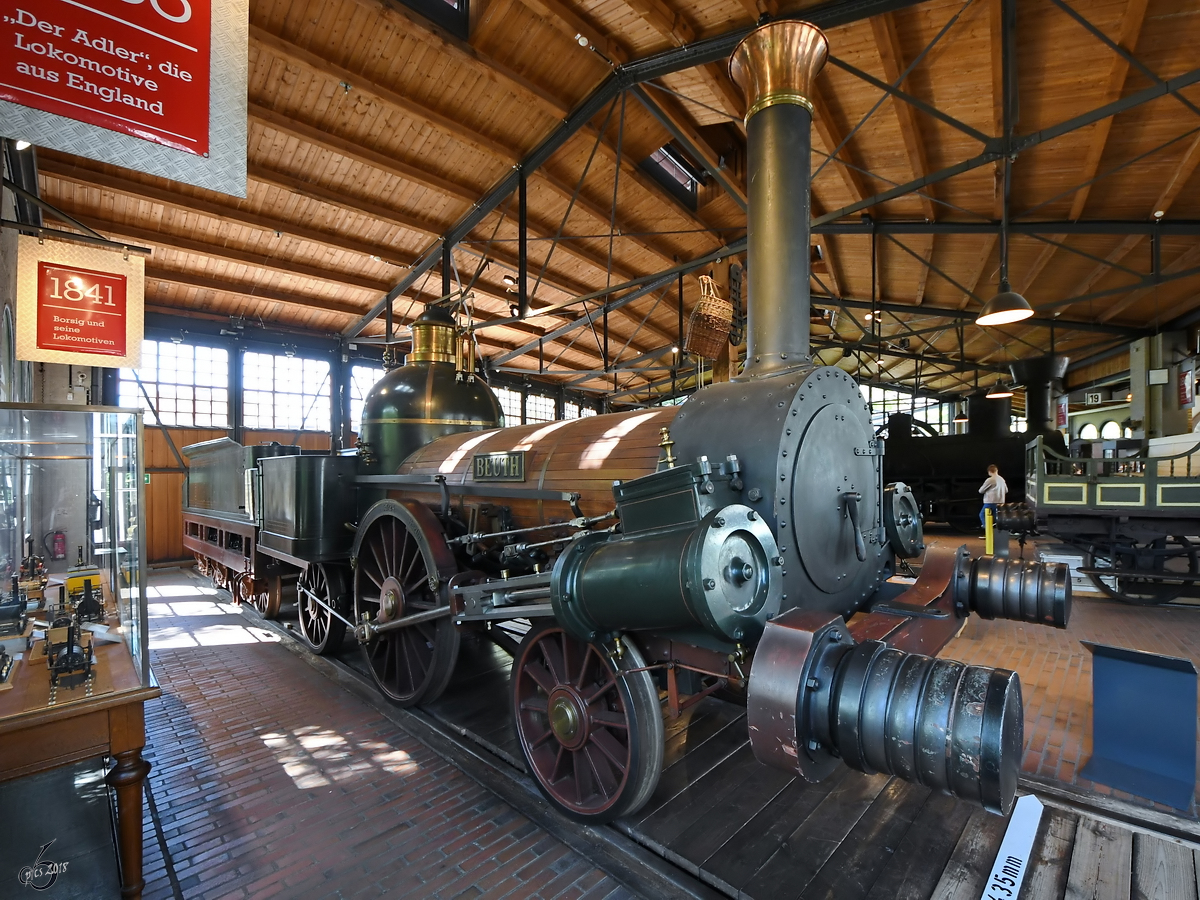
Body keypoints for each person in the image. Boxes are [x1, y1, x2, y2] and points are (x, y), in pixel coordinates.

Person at [979, 464, 1007, 531]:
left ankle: (986, 528)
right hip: (1000, 502)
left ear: (989, 471)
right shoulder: (1001, 479)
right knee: (997, 517)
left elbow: (981, 491)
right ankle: (998, 531)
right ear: (996, 470)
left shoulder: (990, 480)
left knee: (982, 514)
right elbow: (1006, 490)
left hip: (990, 501)